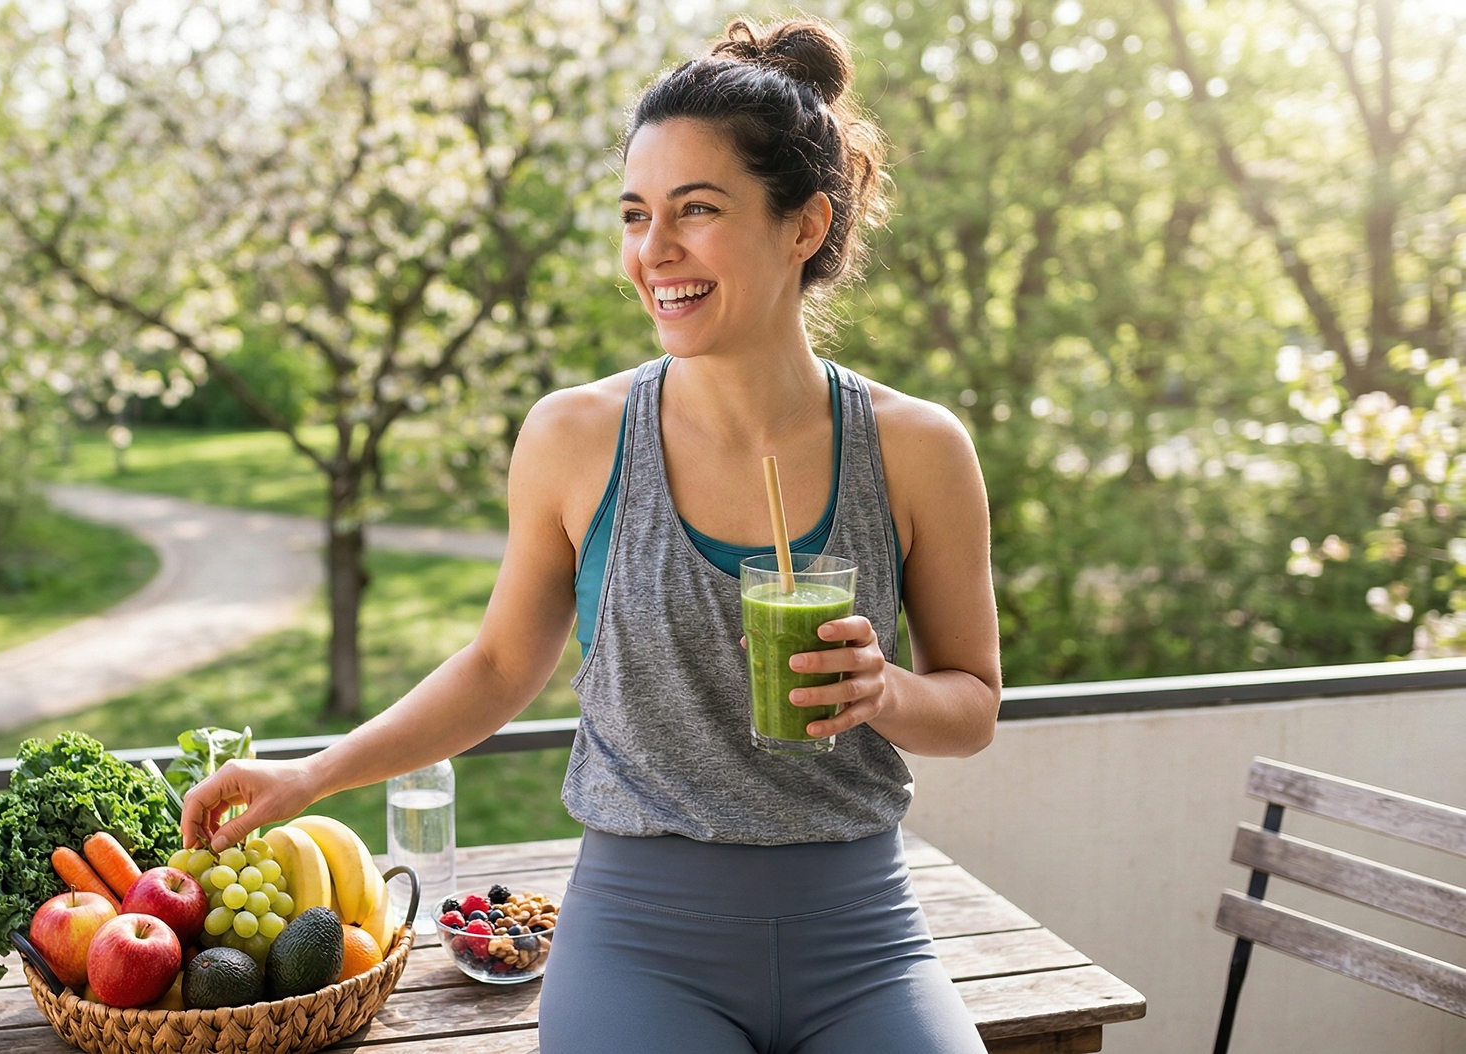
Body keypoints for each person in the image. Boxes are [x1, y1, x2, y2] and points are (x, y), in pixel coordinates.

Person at [182, 15, 999, 1052]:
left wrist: (885, 691)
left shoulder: (917, 449)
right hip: (642, 943)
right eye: (634, 214)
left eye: (695, 211)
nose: (653, 252)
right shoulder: (577, 438)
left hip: (865, 935)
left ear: (803, 225)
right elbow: (494, 667)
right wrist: (309, 775)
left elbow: (970, 705)